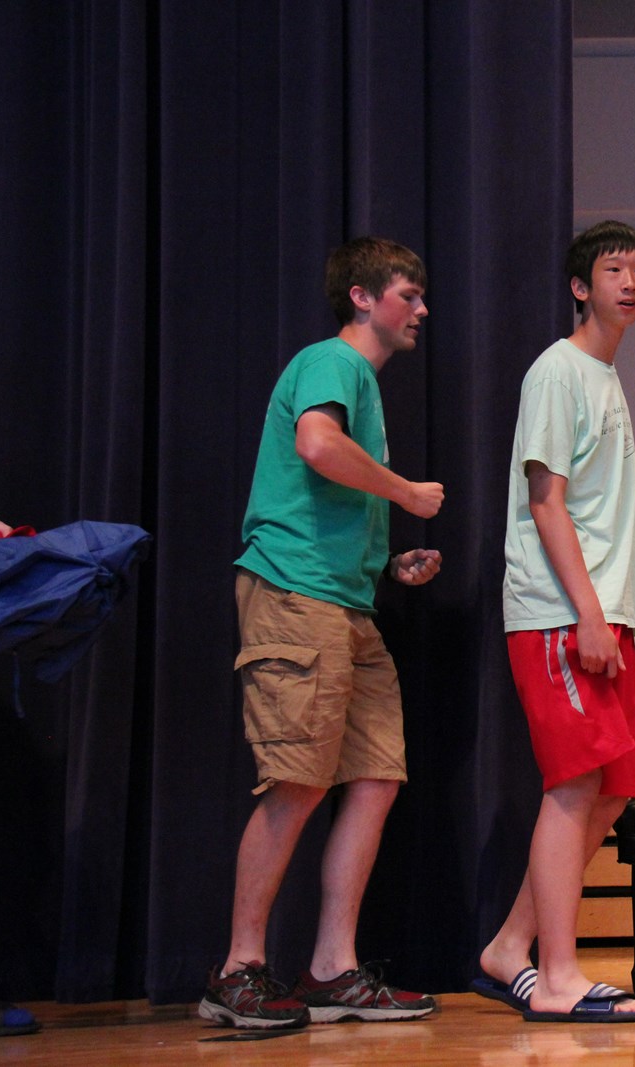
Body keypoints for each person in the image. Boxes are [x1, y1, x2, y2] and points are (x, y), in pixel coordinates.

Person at [202, 237, 444, 1029]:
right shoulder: (332, 361)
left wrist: (389, 562)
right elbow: (315, 444)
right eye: (408, 293)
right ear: (363, 298)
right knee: (299, 779)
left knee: (375, 776)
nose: (421, 309)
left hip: (347, 602)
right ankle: (237, 968)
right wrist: (405, 492)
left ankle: (333, 968)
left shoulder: (360, 382)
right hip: (295, 592)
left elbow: (329, 486)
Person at [477, 221, 635, 1023]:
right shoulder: (557, 369)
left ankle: (511, 945)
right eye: (614, 269)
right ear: (580, 286)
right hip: (561, 611)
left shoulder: (606, 376)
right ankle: (555, 974)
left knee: (613, 790)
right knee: (576, 783)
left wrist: (609, 613)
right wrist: (585, 611)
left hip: (607, 612)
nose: (630, 282)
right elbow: (545, 501)